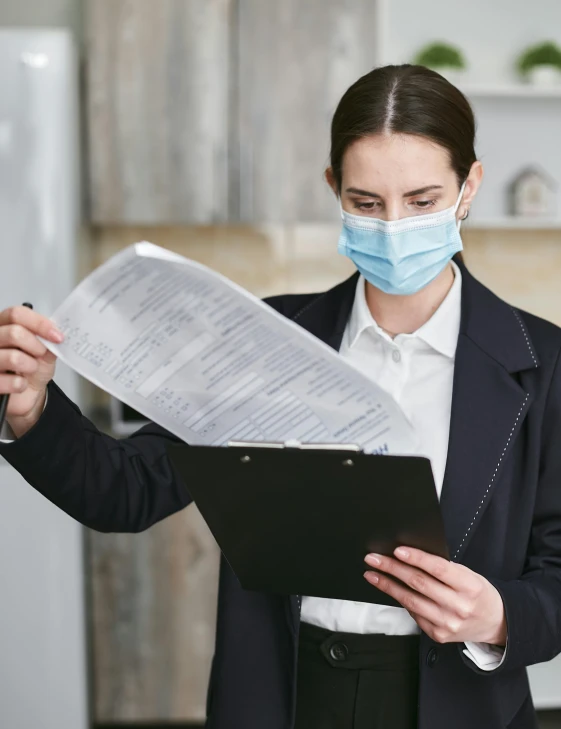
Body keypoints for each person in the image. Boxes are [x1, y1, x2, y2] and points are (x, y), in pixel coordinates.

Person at [1, 64, 560, 729]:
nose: (392, 227)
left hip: (461, 706)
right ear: (333, 188)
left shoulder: (543, 364)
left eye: (421, 200)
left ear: (468, 186)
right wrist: (29, 406)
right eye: (365, 202)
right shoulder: (265, 339)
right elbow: (123, 491)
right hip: (286, 695)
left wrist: (497, 615)